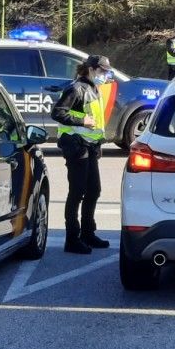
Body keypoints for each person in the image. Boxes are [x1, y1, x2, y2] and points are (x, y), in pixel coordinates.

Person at [52, 55, 113, 254]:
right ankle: (72, 239)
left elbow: (95, 121)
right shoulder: (76, 88)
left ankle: (88, 233)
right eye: (102, 71)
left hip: (90, 145)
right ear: (91, 69)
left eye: (106, 71)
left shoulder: (94, 88)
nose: (105, 75)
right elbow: (58, 112)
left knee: (94, 190)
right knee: (77, 192)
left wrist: (98, 143)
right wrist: (81, 122)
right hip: (76, 145)